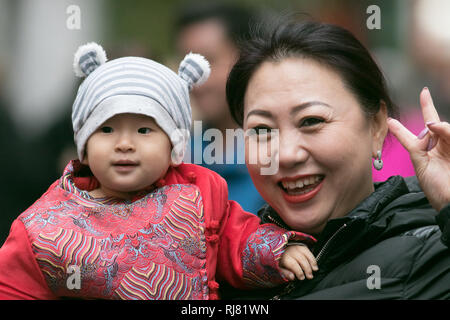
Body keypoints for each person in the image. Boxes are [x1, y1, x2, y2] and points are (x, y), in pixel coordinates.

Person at [0, 42, 317, 300]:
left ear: (174, 145)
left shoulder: (199, 194)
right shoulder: (44, 225)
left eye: (144, 131)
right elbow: (14, 286)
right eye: (107, 129)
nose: (124, 144)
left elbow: (236, 238)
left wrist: (274, 251)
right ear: (83, 144)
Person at [223, 20, 450, 299]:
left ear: (376, 126)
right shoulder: (222, 260)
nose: (285, 155)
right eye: (261, 130)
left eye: (311, 121)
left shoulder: (431, 255)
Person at [174, 2, 265, 213]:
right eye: (187, 65)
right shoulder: (178, 157)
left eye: (209, 61)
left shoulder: (283, 155)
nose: (194, 80)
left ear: (248, 59)